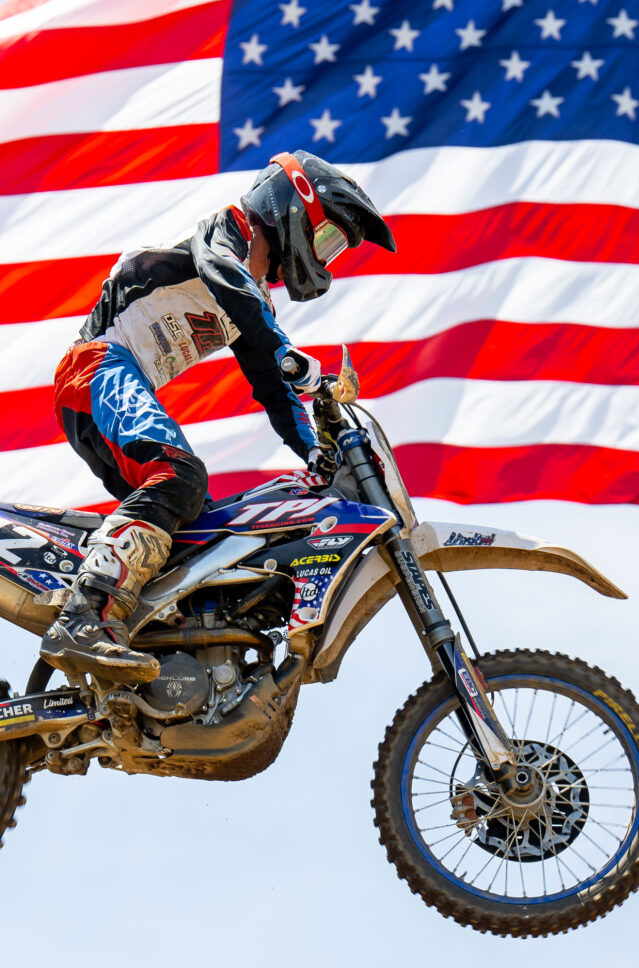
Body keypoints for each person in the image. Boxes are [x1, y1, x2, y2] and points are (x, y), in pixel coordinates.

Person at [40, 150, 395, 682]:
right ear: (292, 204)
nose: (325, 255)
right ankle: (84, 614)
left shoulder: (255, 304)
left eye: (334, 249)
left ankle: (157, 656)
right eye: (327, 239)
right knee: (180, 475)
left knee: (203, 537)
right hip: (94, 368)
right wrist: (284, 350)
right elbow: (224, 274)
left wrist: (318, 451)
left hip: (112, 386)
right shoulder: (225, 233)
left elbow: (277, 395)